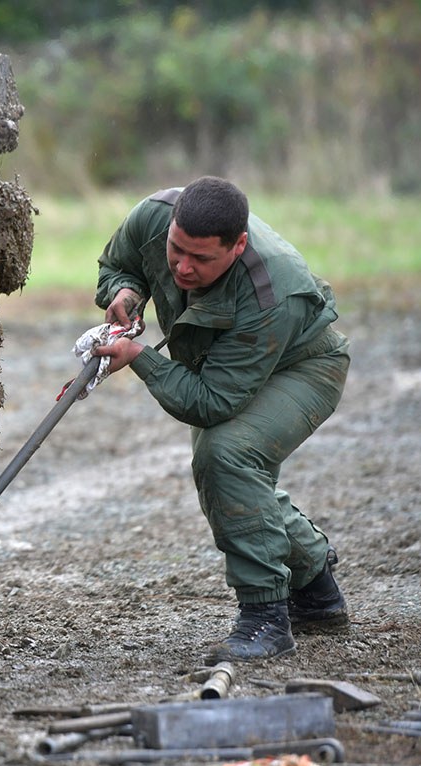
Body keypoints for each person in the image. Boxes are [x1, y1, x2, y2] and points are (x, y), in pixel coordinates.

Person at [91, 176, 350, 666]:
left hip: (303, 366)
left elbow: (211, 402)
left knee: (226, 454)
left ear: (239, 245)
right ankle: (316, 586)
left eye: (202, 259)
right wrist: (126, 291)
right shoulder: (153, 215)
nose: (184, 268)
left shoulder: (272, 291)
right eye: (176, 251)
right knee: (234, 471)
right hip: (225, 364)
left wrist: (140, 358)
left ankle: (265, 619)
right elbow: (118, 263)